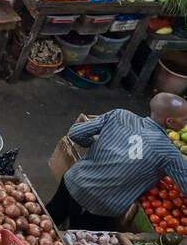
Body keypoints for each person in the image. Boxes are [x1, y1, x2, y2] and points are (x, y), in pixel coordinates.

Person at [46, 95, 187, 231]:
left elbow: (76, 133)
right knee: (77, 242)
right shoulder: (169, 153)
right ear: (170, 122)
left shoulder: (120, 115)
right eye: (185, 119)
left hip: (74, 180)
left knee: (46, 221)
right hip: (100, 205)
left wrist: (98, 144)